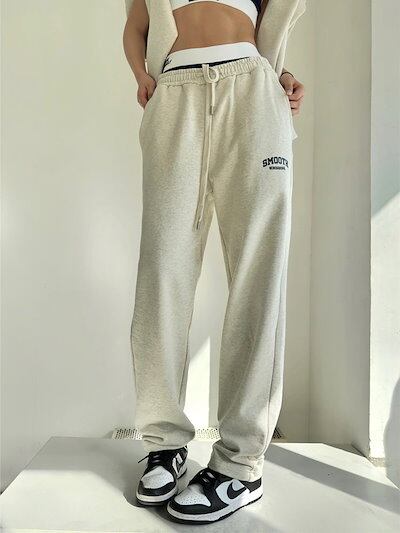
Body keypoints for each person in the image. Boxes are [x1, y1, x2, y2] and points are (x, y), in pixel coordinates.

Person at [123, 0, 306, 524]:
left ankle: (240, 465)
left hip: (253, 92)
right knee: (162, 275)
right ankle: (164, 442)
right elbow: (136, 26)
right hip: (175, 92)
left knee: (258, 275)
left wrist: (281, 75)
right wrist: (142, 76)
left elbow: (263, 31)